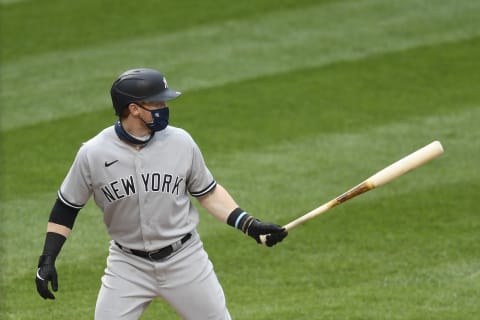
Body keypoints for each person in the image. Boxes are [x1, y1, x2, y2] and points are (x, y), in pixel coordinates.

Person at [35, 68, 288, 319]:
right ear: (134, 108)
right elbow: (67, 207)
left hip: (184, 260)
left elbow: (208, 193)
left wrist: (249, 224)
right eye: (157, 102)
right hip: (128, 265)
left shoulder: (181, 142)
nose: (164, 107)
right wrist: (48, 258)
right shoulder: (93, 153)